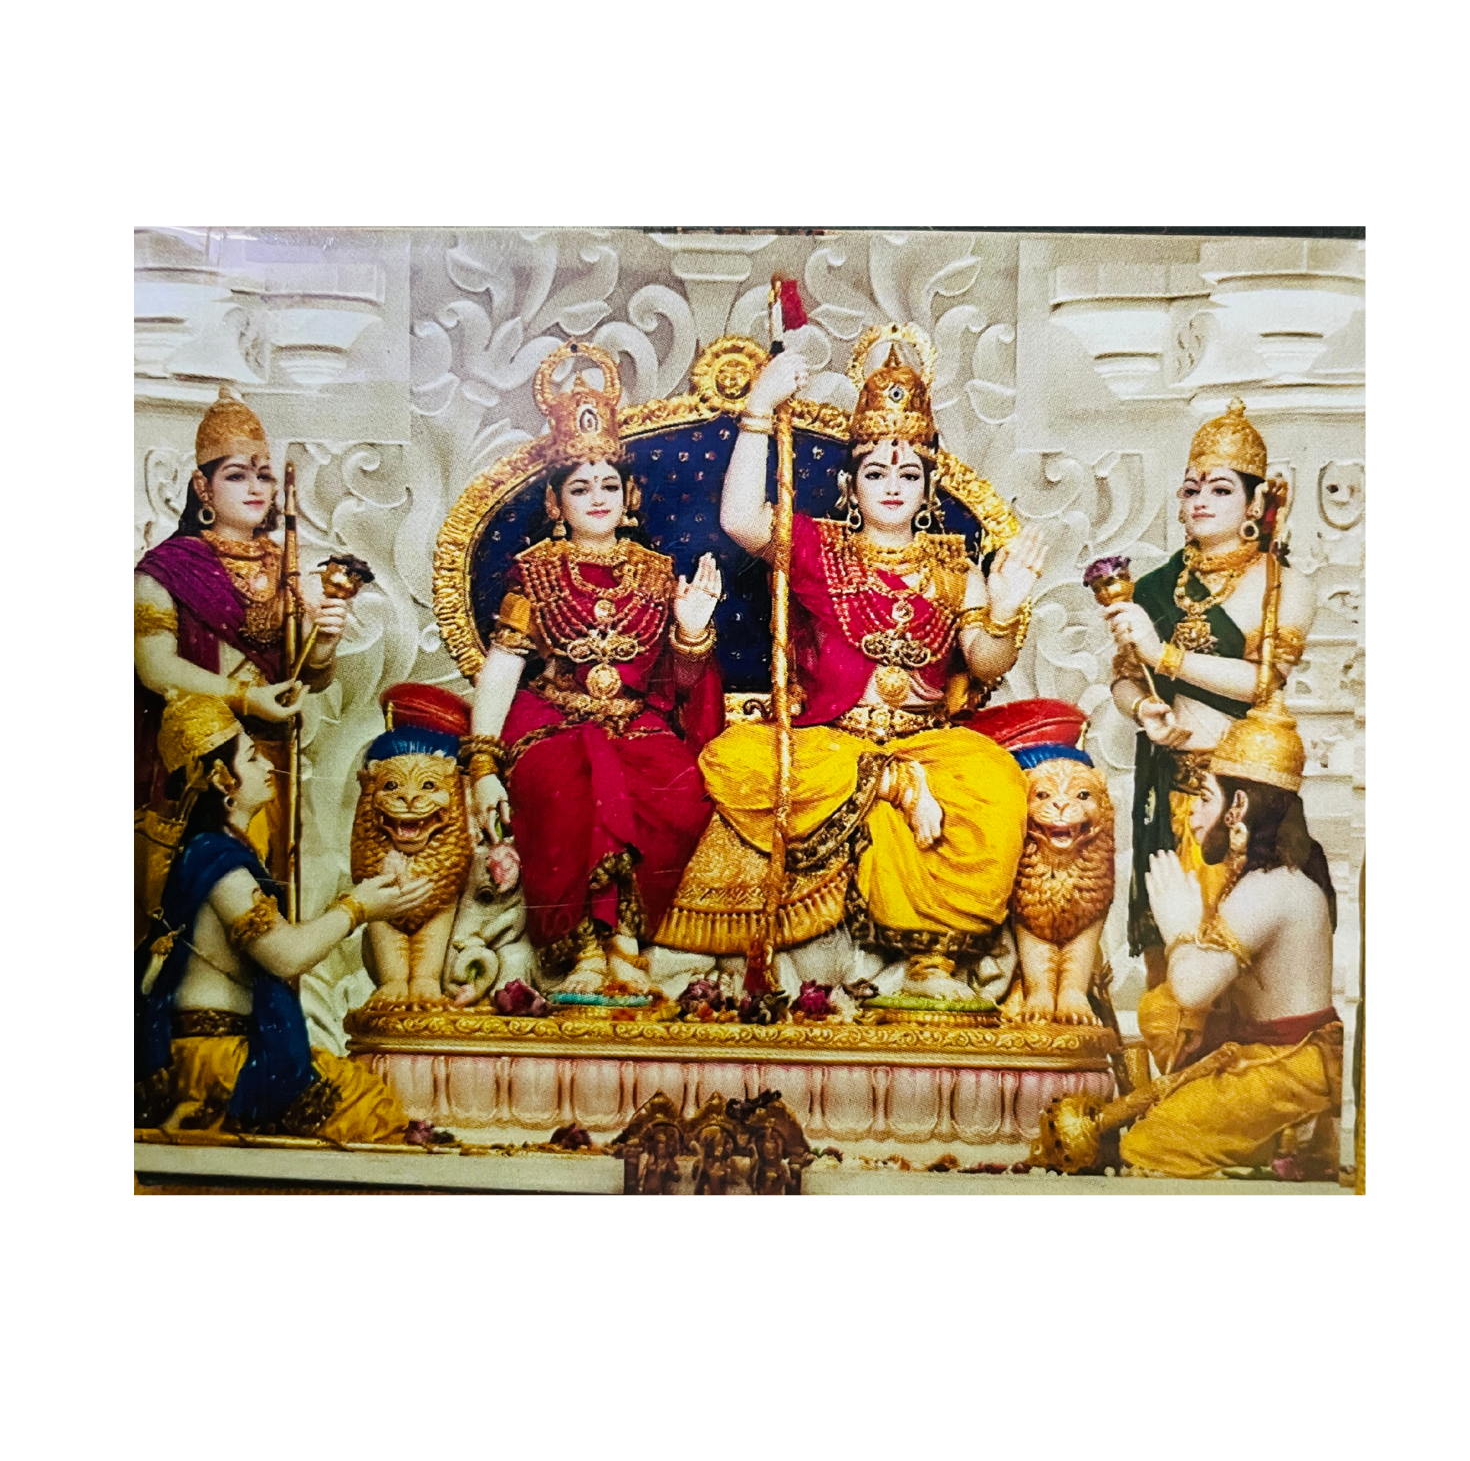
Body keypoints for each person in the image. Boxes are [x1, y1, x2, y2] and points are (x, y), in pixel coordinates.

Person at [658, 328, 1044, 1000]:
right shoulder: (821, 547)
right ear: (849, 485)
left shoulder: (954, 566)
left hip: (925, 741)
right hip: (833, 743)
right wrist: (759, 411)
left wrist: (1005, 609)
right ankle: (890, 784)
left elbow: (984, 664)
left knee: (995, 784)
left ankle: (928, 961)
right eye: (875, 473)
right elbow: (742, 517)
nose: (892, 486)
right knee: (734, 758)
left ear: (928, 489)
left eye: (908, 474)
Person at [466, 343, 724, 995]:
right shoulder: (534, 572)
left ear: (629, 494)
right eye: (580, 488)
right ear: (556, 504)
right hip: (555, 720)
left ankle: (629, 941)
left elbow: (676, 689)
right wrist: (483, 763)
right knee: (572, 777)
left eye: (609, 485)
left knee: (677, 787)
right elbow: (505, 663)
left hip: (637, 724)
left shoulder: (657, 573)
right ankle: (586, 947)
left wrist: (691, 632)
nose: (598, 498)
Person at [133, 693, 433, 1141]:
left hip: (221, 1046)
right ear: (222, 780)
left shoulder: (214, 853)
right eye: (252, 758)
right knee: (366, 1109)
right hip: (216, 1062)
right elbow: (285, 955)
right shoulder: (219, 862)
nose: (268, 767)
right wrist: (359, 907)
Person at [1102, 399, 1314, 985]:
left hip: (1244, 798)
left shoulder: (1281, 585)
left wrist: (1163, 655)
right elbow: (1123, 678)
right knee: (1168, 960)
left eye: (1220, 489)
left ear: (1254, 503)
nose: (1200, 500)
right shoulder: (1155, 586)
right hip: (1169, 783)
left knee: (1238, 955)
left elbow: (1262, 683)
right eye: (1191, 488)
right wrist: (1143, 707)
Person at [133, 385, 349, 939]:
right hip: (201, 757)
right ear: (202, 486)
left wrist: (325, 640)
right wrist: (247, 698)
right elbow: (153, 667)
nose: (255, 487)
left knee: (271, 887)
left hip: (269, 756)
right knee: (201, 901)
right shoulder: (167, 568)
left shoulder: (286, 566)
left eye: (264, 475)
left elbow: (306, 676)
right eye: (236, 475)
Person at [1121, 689, 1341, 1178]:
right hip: (1270, 1053)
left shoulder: (1271, 885)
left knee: (1152, 1145)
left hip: (1289, 1063)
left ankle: (1288, 1136)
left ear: (1238, 806)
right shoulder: (1265, 877)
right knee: (1161, 1012)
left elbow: (1194, 988)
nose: (1193, 815)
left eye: (1204, 799)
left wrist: (1179, 929)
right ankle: (1273, 1142)